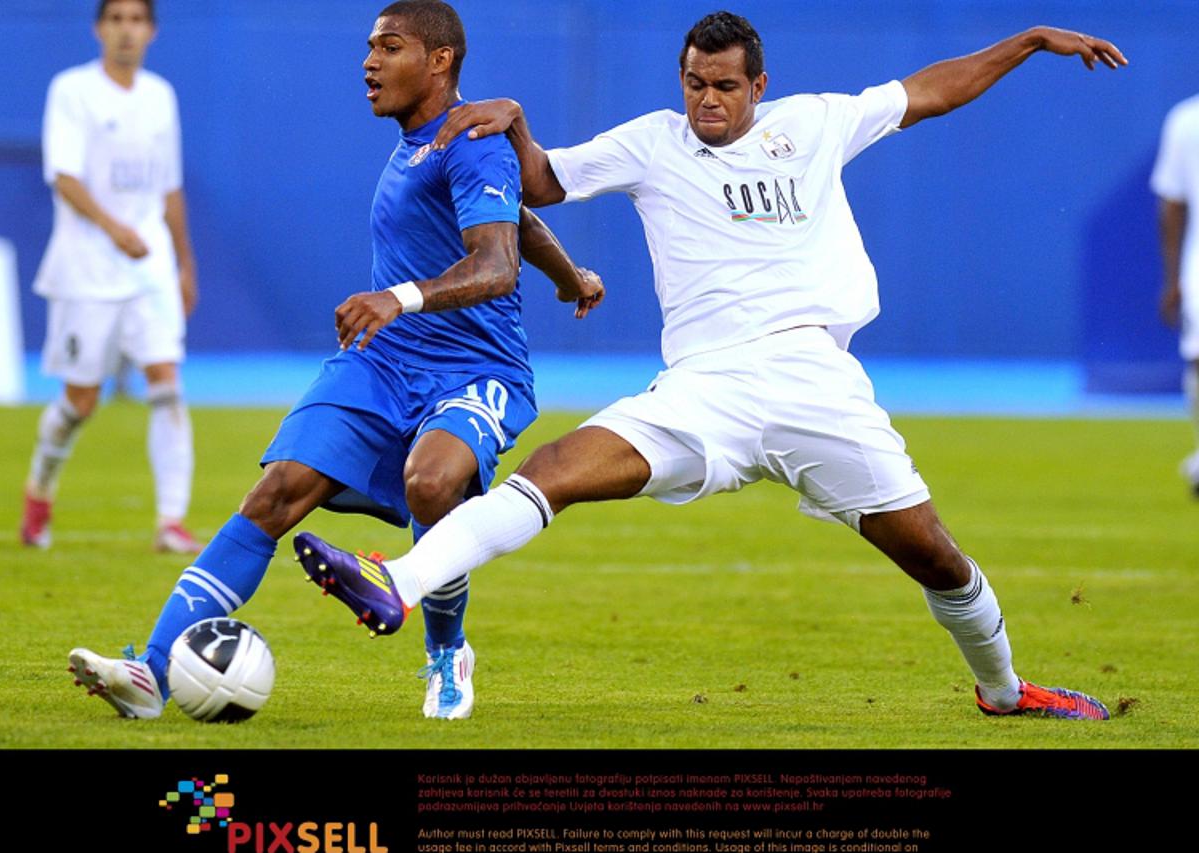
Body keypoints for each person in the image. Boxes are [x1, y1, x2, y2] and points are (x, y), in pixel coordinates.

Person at [297, 13, 1127, 721]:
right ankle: (397, 580)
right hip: (703, 391)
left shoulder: (816, 123)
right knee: (555, 469)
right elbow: (543, 183)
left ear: (758, 85)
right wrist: (515, 122)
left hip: (815, 383)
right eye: (695, 83)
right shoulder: (653, 143)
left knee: (936, 557)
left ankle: (1004, 690)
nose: (708, 100)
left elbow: (930, 91)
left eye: (726, 86)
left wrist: (1028, 41)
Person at [67, 0, 604, 720]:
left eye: (389, 47)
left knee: (433, 483)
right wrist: (571, 277)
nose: (369, 62)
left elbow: (496, 264)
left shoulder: (473, 140)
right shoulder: (423, 139)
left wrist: (397, 298)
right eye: (370, 47)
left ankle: (447, 652)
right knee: (275, 493)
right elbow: (517, 218)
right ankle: (151, 674)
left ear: (439, 60)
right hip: (383, 364)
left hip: (476, 368)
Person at [22, 0, 203, 554]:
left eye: (136, 20)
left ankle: (171, 521)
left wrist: (184, 262)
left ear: (152, 31)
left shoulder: (160, 95)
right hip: (87, 267)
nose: (126, 30)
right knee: (80, 402)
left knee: (167, 384)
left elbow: (169, 186)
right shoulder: (72, 90)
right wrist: (114, 228)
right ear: (99, 28)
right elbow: (64, 177)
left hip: (149, 267)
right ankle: (40, 490)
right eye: (116, 19)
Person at [1152, 94, 1199, 497]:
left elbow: (1171, 205)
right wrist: (1174, 277)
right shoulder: (1186, 120)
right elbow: (1173, 203)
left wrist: (1174, 277)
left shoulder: (1187, 118)